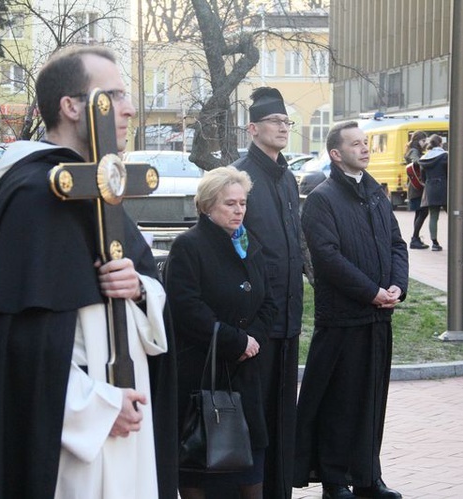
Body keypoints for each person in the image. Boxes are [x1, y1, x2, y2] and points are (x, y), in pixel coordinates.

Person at [0, 46, 177, 499]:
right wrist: (96, 409)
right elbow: (14, 343)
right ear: (72, 107)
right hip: (74, 435)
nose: (129, 108)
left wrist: (138, 290)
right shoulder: (34, 193)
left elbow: (148, 291)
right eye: (112, 96)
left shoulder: (103, 186)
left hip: (131, 410)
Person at [293, 121, 408, 499]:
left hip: (378, 317)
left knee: (372, 401)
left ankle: (367, 478)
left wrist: (395, 287)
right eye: (355, 144)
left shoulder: (375, 192)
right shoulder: (322, 199)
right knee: (340, 404)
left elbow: (396, 243)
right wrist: (370, 292)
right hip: (343, 319)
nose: (364, 149)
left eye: (365, 143)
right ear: (335, 153)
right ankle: (334, 480)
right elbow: (326, 258)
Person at [164, 166, 277, 499]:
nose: (239, 210)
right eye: (230, 203)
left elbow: (268, 300)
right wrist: (235, 341)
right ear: (208, 206)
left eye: (242, 203)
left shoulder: (248, 243)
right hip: (203, 373)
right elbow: (187, 308)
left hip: (245, 373)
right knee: (203, 468)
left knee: (250, 471)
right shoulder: (189, 246)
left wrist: (252, 340)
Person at [233, 87, 304, 499]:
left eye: (286, 122)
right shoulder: (241, 176)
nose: (283, 128)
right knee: (256, 416)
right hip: (258, 319)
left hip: (290, 317)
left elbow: (294, 242)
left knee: (283, 415)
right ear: (253, 127)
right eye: (275, 122)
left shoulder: (288, 177)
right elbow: (238, 247)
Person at [418, 134, 448, 251]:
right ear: (440, 143)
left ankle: (434, 242)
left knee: (433, 216)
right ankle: (457, 239)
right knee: (452, 215)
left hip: (430, 188)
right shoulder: (445, 156)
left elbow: (423, 178)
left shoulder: (425, 158)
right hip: (445, 187)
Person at [404, 130, 429, 249]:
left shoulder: (412, 150)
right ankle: (414, 238)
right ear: (418, 140)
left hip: (414, 186)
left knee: (420, 212)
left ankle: (416, 238)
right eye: (423, 140)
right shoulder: (414, 151)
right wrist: (426, 160)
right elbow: (416, 162)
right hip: (417, 187)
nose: (425, 143)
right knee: (423, 211)